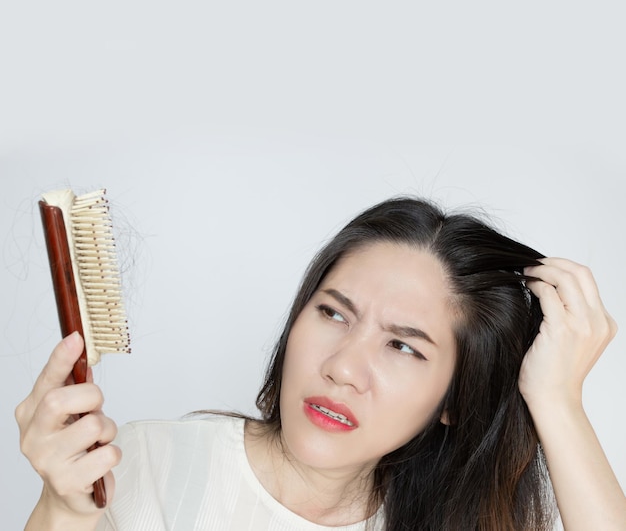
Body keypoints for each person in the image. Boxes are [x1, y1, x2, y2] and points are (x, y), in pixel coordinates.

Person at [16, 196, 626, 530]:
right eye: (333, 314)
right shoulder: (138, 467)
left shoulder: (465, 521)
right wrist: (62, 512)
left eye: (403, 346)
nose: (342, 367)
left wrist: (557, 402)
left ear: (454, 402)